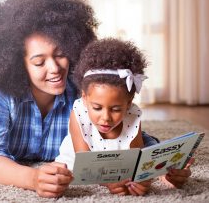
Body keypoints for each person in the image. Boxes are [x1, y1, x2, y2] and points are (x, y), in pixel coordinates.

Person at [0, 0, 164, 198]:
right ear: (18, 64)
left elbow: (126, 132)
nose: (55, 69)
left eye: (60, 54)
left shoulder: (83, 93)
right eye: (39, 62)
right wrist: (32, 178)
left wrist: (163, 166)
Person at [55, 38, 194, 196]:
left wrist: (140, 181)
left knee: (153, 151)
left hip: (119, 162)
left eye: (115, 109)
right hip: (80, 162)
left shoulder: (133, 116)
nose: (105, 117)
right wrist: (107, 181)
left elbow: (137, 159)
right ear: (85, 98)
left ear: (128, 104)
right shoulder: (78, 112)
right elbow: (86, 164)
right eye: (97, 108)